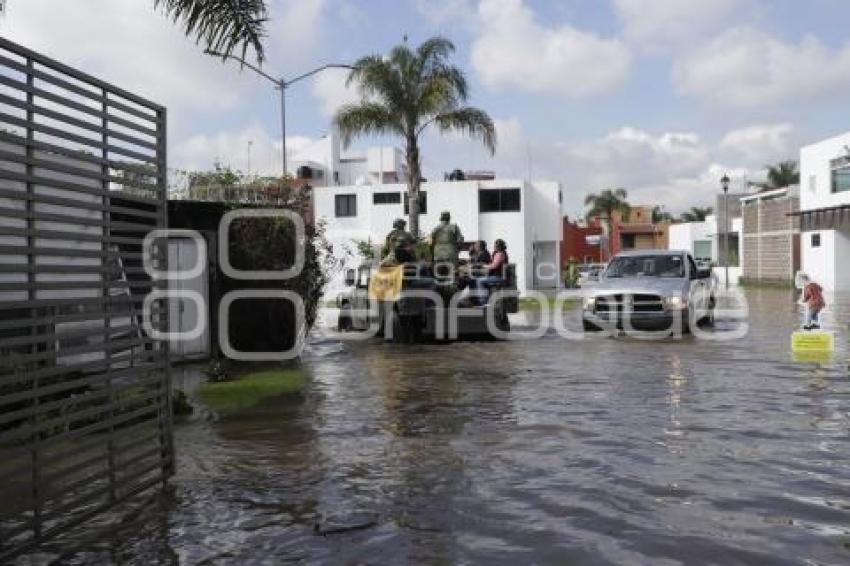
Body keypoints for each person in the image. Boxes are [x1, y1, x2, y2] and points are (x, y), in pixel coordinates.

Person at [471, 239, 509, 304]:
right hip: (497, 276)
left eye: (495, 245)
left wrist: (484, 266)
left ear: (499, 247)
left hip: (498, 277)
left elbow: (494, 266)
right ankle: (482, 299)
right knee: (480, 279)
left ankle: (482, 301)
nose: (494, 247)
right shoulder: (500, 253)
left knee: (479, 280)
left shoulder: (500, 254)